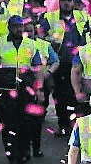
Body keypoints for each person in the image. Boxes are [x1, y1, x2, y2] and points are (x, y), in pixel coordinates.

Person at [0, 15, 44, 163]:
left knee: (26, 124)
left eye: (21, 26)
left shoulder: (30, 44)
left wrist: (39, 89)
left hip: (25, 92)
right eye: (15, 26)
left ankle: (24, 153)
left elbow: (38, 67)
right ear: (9, 28)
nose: (19, 29)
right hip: (5, 92)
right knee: (8, 125)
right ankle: (12, 155)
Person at [40, 0, 85, 136]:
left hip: (78, 63)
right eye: (63, 0)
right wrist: (49, 45)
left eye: (69, 0)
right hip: (60, 63)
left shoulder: (82, 17)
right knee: (59, 96)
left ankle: (77, 126)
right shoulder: (50, 17)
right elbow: (39, 36)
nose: (66, 3)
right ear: (59, 3)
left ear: (73, 2)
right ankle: (63, 125)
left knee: (76, 95)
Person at [24, 21, 59, 159]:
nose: (28, 33)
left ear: (35, 32)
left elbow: (55, 61)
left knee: (36, 121)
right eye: (25, 30)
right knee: (23, 121)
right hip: (22, 88)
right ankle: (25, 149)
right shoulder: (17, 45)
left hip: (40, 86)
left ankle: (36, 148)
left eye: (30, 30)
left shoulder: (44, 45)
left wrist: (48, 73)